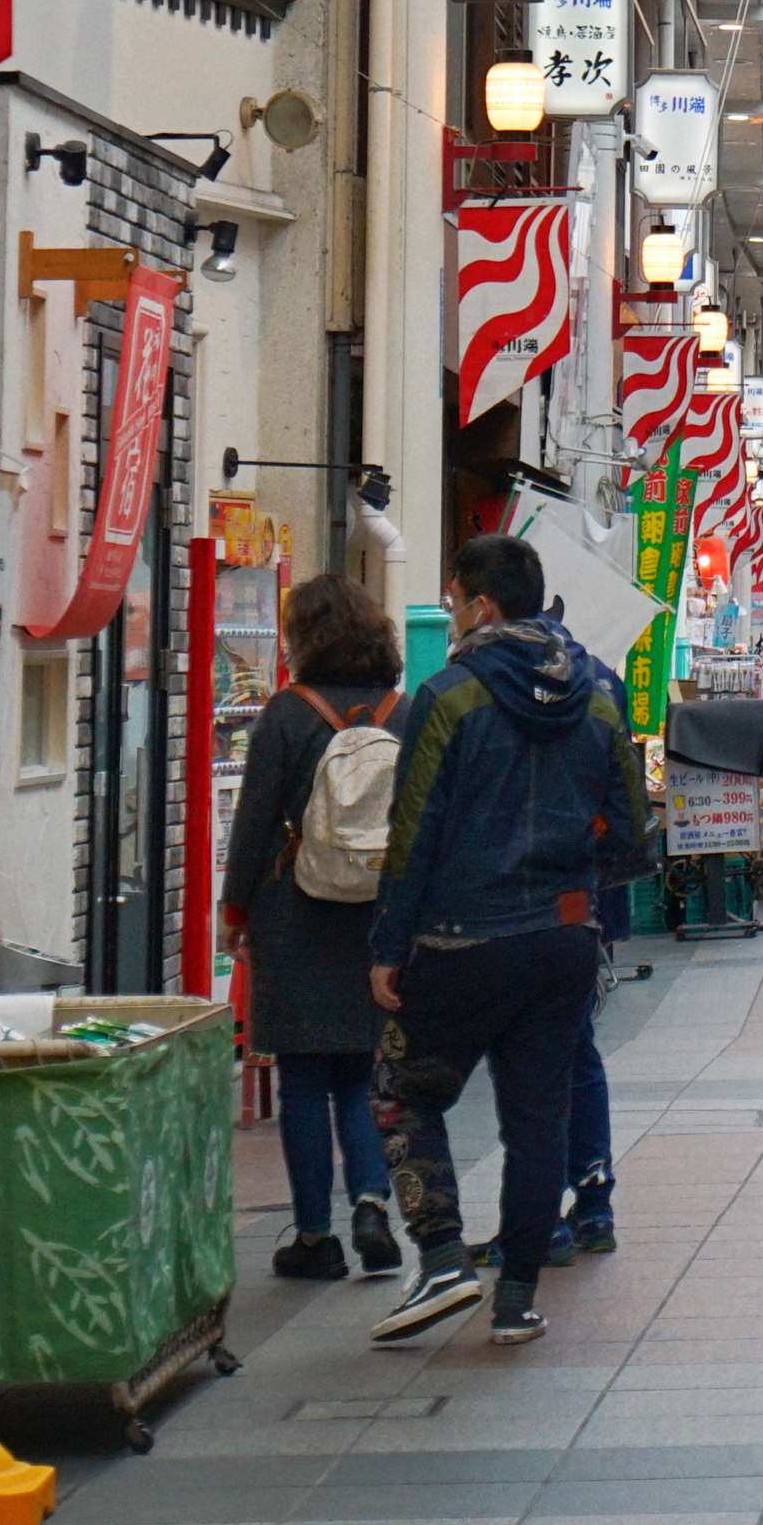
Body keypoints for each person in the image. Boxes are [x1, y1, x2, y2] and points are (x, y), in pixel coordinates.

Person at [364, 531, 653, 1348]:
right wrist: (578, 886)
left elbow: (411, 829)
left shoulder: (449, 696)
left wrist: (390, 942)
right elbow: (632, 834)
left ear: (481, 604)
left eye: (454, 601)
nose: (451, 617)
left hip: (461, 938)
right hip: (562, 937)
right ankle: (518, 1297)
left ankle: (445, 1258)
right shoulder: (598, 697)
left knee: (403, 1090)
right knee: (538, 1113)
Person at [223, 573, 414, 1281]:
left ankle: (314, 1236)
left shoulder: (286, 714)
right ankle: (371, 1200)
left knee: (304, 1078)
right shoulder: (403, 711)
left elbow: (252, 824)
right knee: (365, 1071)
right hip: (380, 914)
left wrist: (233, 910)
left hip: (295, 910)